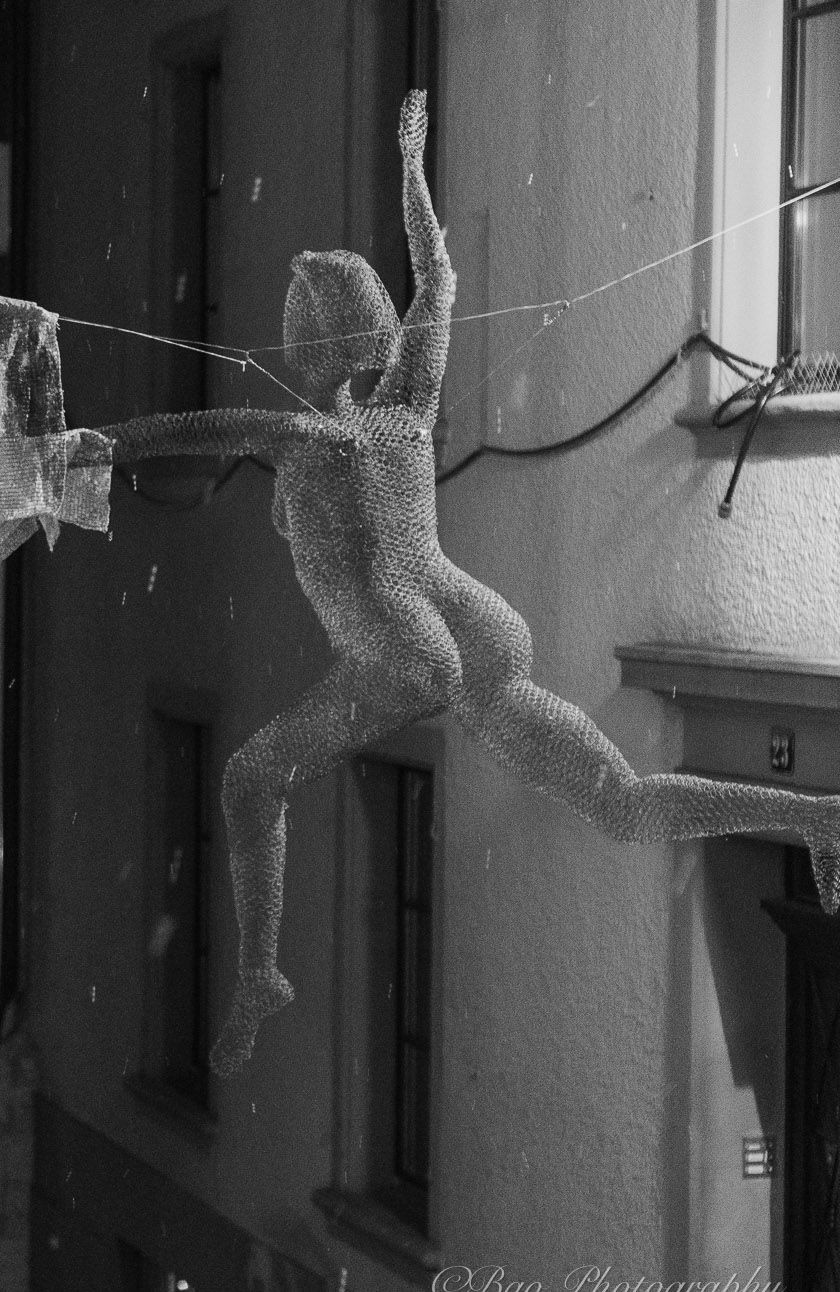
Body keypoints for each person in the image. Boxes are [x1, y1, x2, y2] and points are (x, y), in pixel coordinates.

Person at [86, 89, 840, 1076]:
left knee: (248, 777)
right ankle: (814, 816)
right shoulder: (404, 403)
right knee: (615, 800)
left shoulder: (300, 431)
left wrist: (71, 448)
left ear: (302, 341)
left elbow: (173, 434)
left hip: (401, 642)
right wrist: (410, 168)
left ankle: (259, 974)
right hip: (475, 623)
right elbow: (437, 280)